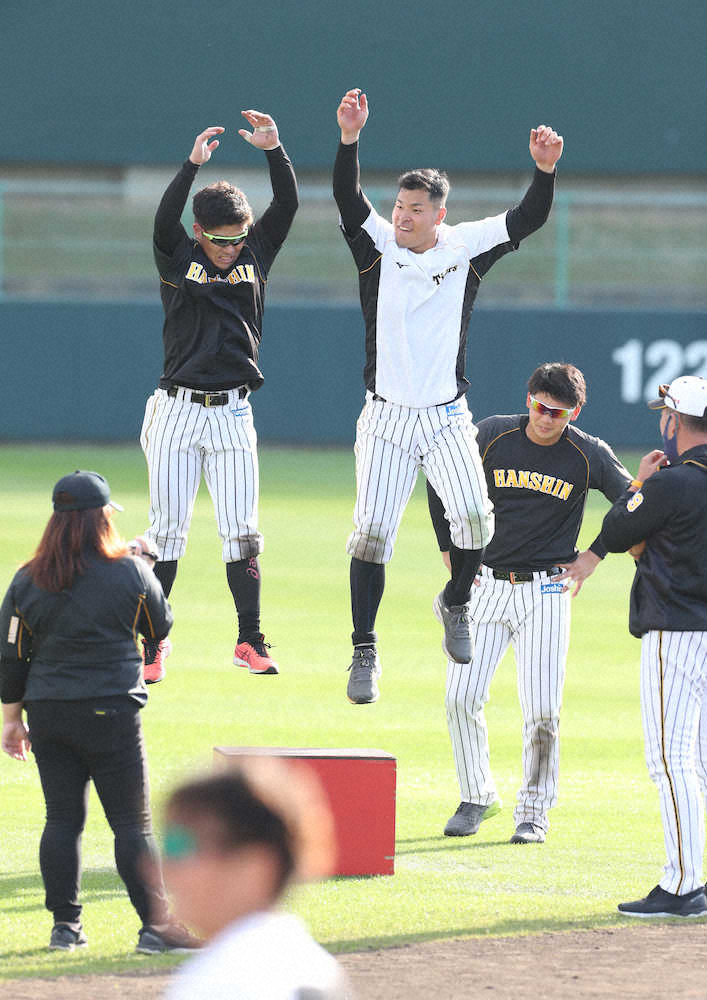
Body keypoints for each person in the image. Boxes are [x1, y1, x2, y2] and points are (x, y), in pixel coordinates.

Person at [333, 88, 564, 705]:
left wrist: (544, 173)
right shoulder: (376, 248)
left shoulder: (464, 249)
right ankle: (364, 650)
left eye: (414, 209)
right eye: (399, 206)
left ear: (439, 214)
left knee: (476, 519)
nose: (402, 216)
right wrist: (349, 139)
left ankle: (455, 600)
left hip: (445, 418)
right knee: (372, 533)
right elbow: (346, 199)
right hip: (384, 419)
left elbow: (526, 220)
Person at [427, 364, 632, 843]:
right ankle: (477, 795)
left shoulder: (587, 453)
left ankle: (534, 812)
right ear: (529, 399)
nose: (545, 418)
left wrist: (594, 556)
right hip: (484, 585)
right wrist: (448, 545)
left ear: (573, 412)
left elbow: (632, 503)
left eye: (557, 412)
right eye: (539, 406)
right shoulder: (492, 435)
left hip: (546, 589)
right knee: (460, 696)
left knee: (542, 708)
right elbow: (441, 481)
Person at [0, 470, 200, 953]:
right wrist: (145, 566)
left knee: (62, 820)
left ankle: (65, 928)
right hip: (111, 710)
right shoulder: (129, 572)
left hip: (49, 712)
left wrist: (11, 719)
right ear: (102, 517)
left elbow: (10, 655)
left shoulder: (29, 578)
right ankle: (156, 927)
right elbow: (160, 624)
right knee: (132, 825)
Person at [140, 109, 299, 681]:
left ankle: (249, 640)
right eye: (220, 239)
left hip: (233, 410)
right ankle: (153, 644)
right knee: (165, 530)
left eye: (238, 236)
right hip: (178, 409)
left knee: (242, 529)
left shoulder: (256, 254)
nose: (231, 248)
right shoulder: (177, 257)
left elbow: (287, 206)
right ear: (200, 232)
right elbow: (162, 222)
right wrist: (190, 167)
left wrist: (273, 150)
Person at [599, 375, 707, 918]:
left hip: (677, 633)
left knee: (671, 760)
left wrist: (636, 485)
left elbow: (618, 530)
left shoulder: (672, 483)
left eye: (664, 414)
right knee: (702, 761)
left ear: (674, 420)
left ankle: (684, 884)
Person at [161, 763, 350, 1000]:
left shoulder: (222, 981)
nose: (165, 868)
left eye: (180, 848)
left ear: (254, 867)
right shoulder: (314, 964)